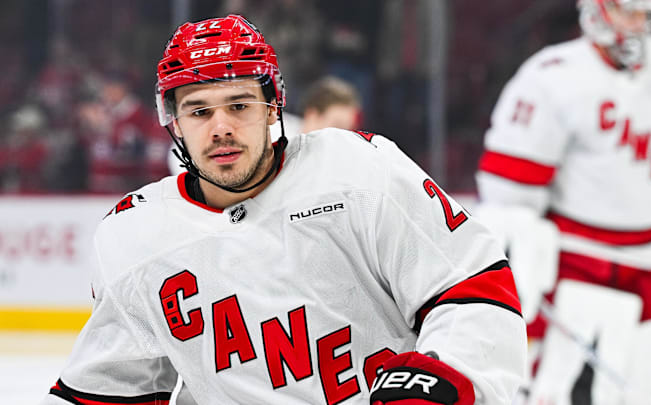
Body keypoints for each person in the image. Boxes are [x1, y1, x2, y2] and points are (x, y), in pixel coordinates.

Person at [42, 14, 526, 405]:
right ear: (174, 123)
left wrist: (439, 380)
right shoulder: (134, 237)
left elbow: (472, 286)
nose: (221, 128)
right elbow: (108, 389)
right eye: (200, 110)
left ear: (274, 106)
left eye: (239, 105)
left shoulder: (358, 170)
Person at [474, 1, 651, 404]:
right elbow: (510, 189)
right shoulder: (551, 76)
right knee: (559, 388)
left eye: (643, 14)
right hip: (579, 258)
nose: (636, 25)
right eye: (625, 11)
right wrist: (519, 240)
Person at [167, 75, 359, 176]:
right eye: (337, 124)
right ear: (313, 115)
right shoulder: (269, 129)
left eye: (348, 127)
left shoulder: (333, 159)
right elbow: (180, 151)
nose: (343, 134)